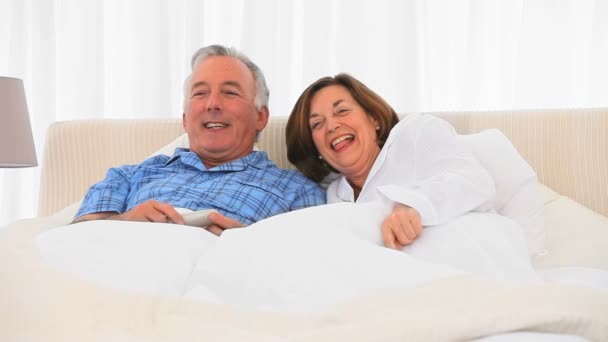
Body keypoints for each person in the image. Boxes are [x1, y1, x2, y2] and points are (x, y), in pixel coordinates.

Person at [73, 44, 325, 235]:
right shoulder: (127, 177)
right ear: (185, 118)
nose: (212, 104)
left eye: (230, 93)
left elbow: (310, 266)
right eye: (200, 93)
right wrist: (125, 222)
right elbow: (72, 242)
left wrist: (247, 246)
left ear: (260, 116)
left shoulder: (297, 190)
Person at [286, 73, 496, 250]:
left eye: (342, 111)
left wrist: (414, 206)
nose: (331, 126)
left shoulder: (415, 134)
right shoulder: (333, 196)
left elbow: (476, 182)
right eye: (317, 124)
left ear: (373, 118)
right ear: (316, 147)